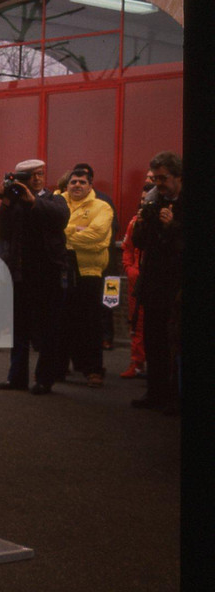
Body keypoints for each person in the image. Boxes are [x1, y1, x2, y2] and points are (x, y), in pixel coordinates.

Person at [0, 159, 69, 395]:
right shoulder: (14, 203)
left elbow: (61, 218)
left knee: (47, 329)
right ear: (21, 179)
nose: (37, 179)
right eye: (31, 176)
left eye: (40, 174)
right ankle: (17, 377)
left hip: (48, 273)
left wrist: (33, 202)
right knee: (19, 328)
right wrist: (6, 202)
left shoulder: (54, 200)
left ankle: (44, 379)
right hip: (20, 273)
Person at [130, 152, 183, 414]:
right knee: (153, 340)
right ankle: (155, 392)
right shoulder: (153, 201)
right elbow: (140, 243)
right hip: (153, 283)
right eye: (155, 178)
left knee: (175, 343)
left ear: (179, 177)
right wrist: (141, 225)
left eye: (163, 178)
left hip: (178, 285)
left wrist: (173, 226)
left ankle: (175, 397)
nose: (158, 184)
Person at [60, 163, 113, 387]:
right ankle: (60, 367)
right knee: (62, 322)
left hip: (89, 271)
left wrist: (64, 234)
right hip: (62, 270)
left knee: (90, 323)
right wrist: (78, 230)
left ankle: (93, 370)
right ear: (67, 185)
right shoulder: (58, 202)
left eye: (82, 182)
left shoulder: (102, 207)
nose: (77, 185)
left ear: (90, 186)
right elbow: (47, 231)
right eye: (73, 181)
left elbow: (97, 237)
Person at [119, 182, 153, 379]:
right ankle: (137, 363)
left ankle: (158, 367)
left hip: (157, 281)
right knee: (136, 323)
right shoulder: (134, 223)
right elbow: (127, 250)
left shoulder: (164, 223)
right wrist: (130, 270)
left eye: (148, 201)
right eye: (142, 200)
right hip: (136, 281)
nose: (144, 204)